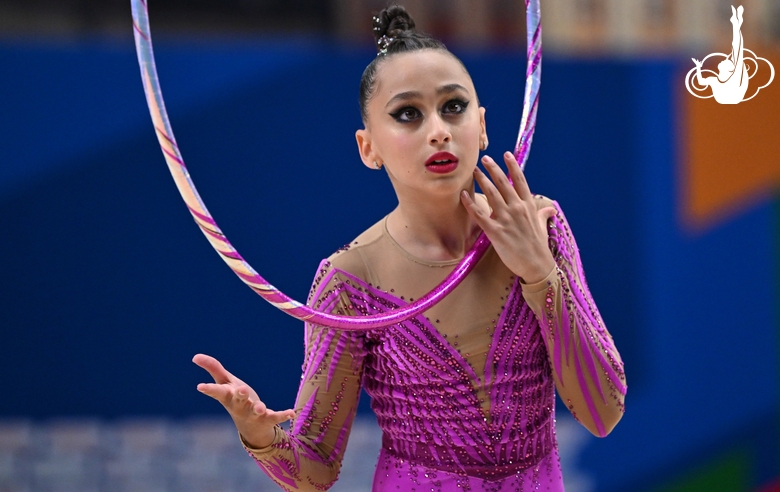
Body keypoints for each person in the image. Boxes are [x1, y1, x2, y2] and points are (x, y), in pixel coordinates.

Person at [193, 5, 626, 491]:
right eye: (407, 115)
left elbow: (602, 411)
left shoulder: (539, 226)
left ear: (481, 126)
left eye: (453, 107)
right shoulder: (349, 279)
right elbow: (314, 469)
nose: (438, 129)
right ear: (368, 147)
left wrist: (539, 273)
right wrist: (261, 436)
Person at [692, 5, 748, 104]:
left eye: (726, 61)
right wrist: (698, 67)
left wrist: (736, 26)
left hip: (732, 100)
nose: (725, 59)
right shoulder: (715, 80)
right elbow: (701, 82)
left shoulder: (734, 78)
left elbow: (737, 48)